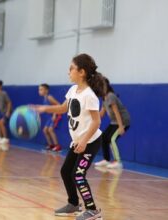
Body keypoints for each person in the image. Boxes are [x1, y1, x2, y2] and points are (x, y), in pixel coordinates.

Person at [37, 54, 104, 219]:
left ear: (81, 72)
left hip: (90, 141)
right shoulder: (73, 90)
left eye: (71, 69)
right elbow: (62, 108)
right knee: (66, 171)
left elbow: (96, 122)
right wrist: (44, 109)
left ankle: (93, 210)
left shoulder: (89, 95)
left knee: (78, 174)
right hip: (78, 142)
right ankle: (74, 203)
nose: (68, 72)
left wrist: (84, 140)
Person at [95, 77, 131, 169]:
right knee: (104, 137)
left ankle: (118, 162)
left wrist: (121, 127)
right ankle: (106, 160)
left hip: (122, 121)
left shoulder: (111, 96)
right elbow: (101, 114)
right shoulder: (104, 98)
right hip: (114, 122)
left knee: (112, 139)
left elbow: (116, 112)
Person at [38, 83, 62, 152]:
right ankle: (51, 145)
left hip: (54, 116)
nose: (39, 91)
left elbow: (58, 105)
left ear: (46, 90)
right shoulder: (45, 98)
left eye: (41, 89)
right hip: (49, 118)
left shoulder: (49, 97)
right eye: (39, 90)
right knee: (45, 130)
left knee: (50, 130)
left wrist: (54, 115)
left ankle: (57, 146)